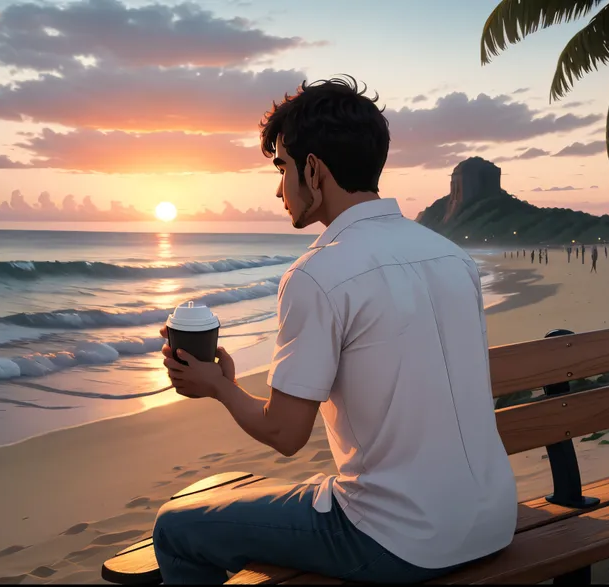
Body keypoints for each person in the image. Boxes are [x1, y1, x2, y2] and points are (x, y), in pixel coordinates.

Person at [152, 76, 517, 585]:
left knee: (174, 529)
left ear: (314, 170)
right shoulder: (454, 258)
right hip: (494, 520)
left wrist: (217, 387)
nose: (278, 187)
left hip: (397, 539)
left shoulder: (316, 275)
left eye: (282, 168)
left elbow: (285, 434)